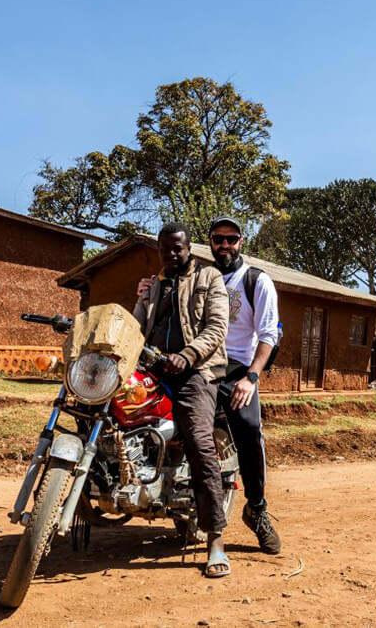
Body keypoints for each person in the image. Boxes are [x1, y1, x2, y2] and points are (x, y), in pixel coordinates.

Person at [137, 217, 283, 556]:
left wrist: (252, 377)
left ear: (241, 242)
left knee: (247, 427)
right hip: (189, 362)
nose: (225, 245)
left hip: (234, 368)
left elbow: (269, 335)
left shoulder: (254, 281)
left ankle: (257, 508)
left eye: (231, 239)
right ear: (209, 242)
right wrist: (148, 295)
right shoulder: (192, 275)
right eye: (218, 239)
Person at [132, 222, 233, 578]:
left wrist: (188, 355)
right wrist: (139, 301)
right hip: (155, 367)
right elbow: (136, 327)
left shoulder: (209, 279)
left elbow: (217, 327)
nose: (172, 254)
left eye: (179, 248)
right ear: (159, 250)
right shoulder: (154, 284)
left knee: (199, 441)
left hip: (196, 372)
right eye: (166, 249)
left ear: (189, 248)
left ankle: (215, 539)